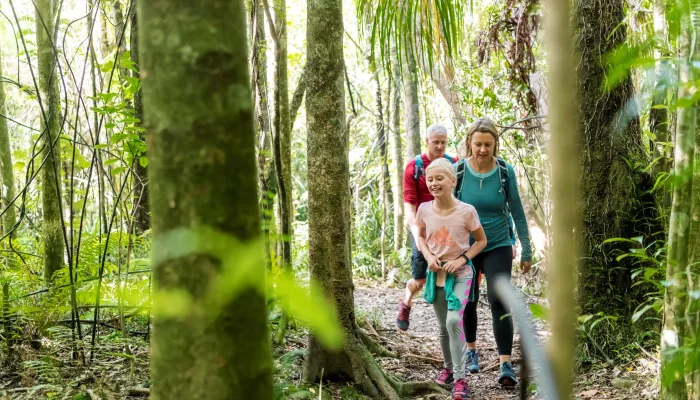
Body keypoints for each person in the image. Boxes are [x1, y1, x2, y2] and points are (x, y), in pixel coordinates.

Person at [455, 117, 532, 387]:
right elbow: (447, 210)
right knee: (469, 299)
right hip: (467, 246)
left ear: (495, 144)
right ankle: (472, 351)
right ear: (469, 143)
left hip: (498, 242)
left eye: (488, 144)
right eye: (478, 144)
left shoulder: (504, 171)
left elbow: (518, 213)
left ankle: (505, 363)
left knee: (499, 299)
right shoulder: (459, 171)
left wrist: (526, 249)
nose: (483, 150)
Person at [415, 158, 487, 400]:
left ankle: (460, 379)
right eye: (430, 179)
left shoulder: (467, 211)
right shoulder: (424, 209)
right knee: (443, 327)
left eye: (439, 178)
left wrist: (464, 259)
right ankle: (447, 368)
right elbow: (421, 237)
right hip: (436, 275)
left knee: (454, 321)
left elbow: (481, 241)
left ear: (452, 181)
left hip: (462, 274)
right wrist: (428, 256)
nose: (434, 183)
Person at [396, 123, 457, 331]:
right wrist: (418, 235)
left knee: (451, 272)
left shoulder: (453, 164)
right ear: (427, 142)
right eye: (436, 142)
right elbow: (410, 205)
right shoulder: (414, 168)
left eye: (443, 142)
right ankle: (406, 300)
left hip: (447, 227)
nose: (440, 146)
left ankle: (451, 321)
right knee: (421, 278)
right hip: (421, 227)